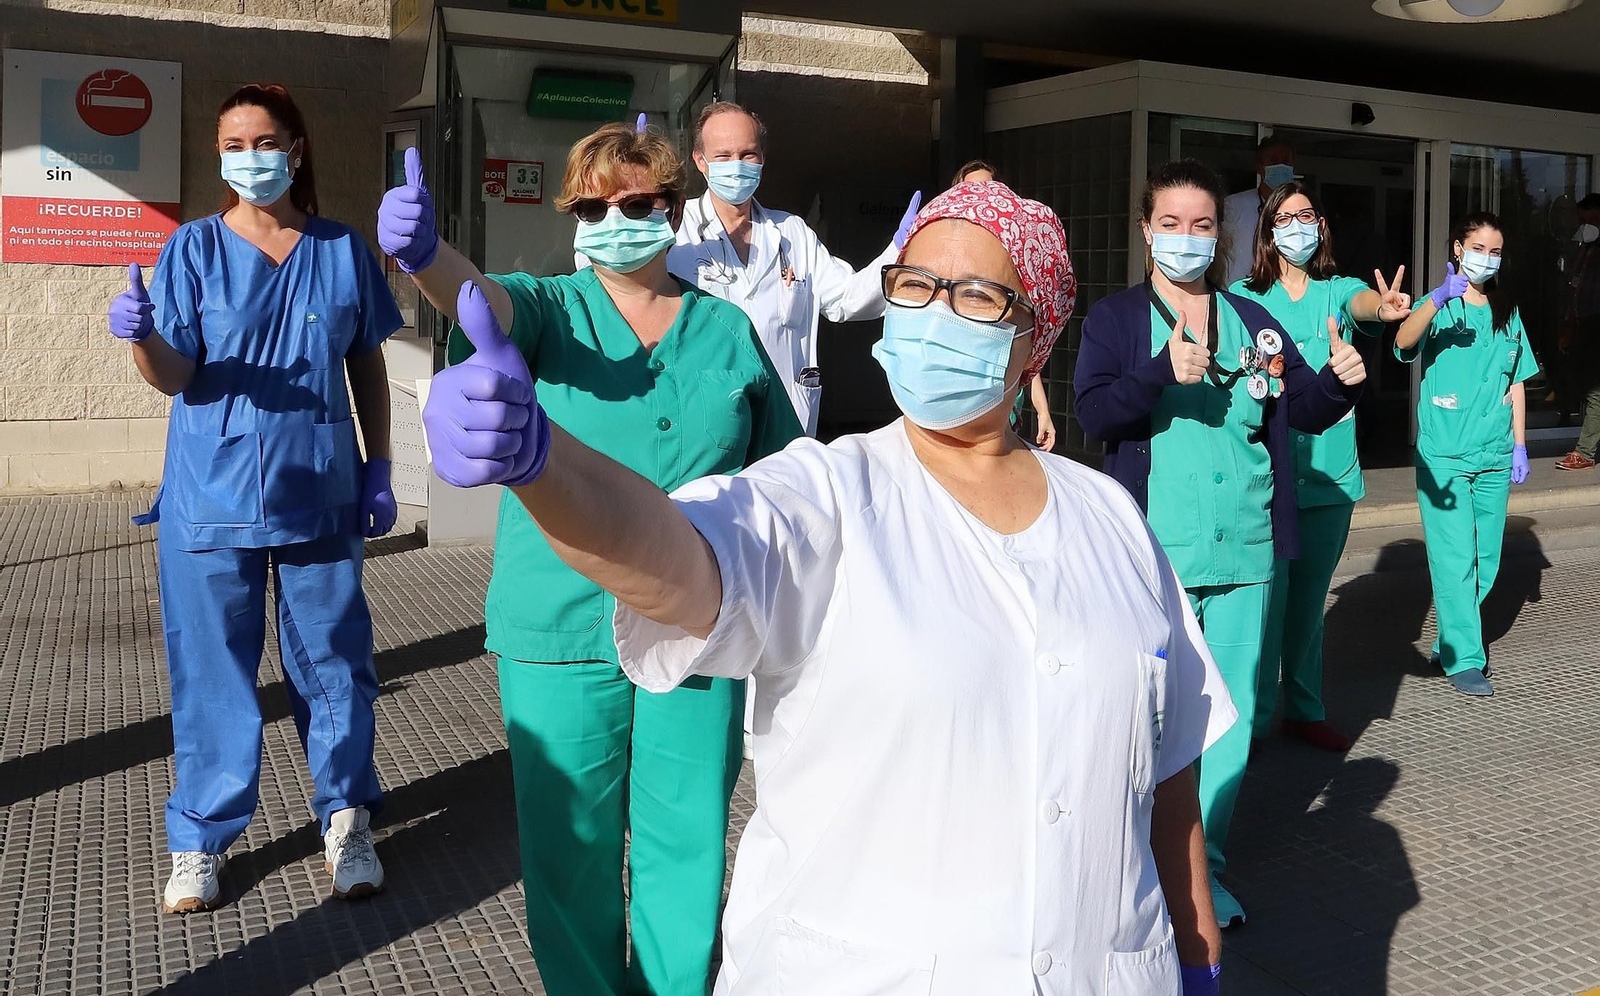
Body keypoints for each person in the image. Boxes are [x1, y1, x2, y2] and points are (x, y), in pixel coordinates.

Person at [421, 180, 1238, 996]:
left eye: (978, 295)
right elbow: (686, 554)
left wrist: (1196, 945)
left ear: (1038, 337)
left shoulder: (1112, 518)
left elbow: (1169, 769)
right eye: (915, 286)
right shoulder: (829, 493)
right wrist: (542, 463)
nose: (937, 312)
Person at [376, 124, 801, 996]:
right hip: (559, 627)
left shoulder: (728, 331)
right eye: (595, 205)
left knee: (687, 839)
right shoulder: (549, 309)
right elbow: (482, 303)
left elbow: (786, 479)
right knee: (570, 854)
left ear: (672, 211)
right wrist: (427, 255)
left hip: (699, 623)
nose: (617, 218)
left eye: (637, 203)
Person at [105, 83, 402, 913]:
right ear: (219, 157)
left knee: (337, 665)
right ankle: (200, 837)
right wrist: (142, 338)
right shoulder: (193, 250)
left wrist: (380, 466)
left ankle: (347, 817)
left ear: (296, 149)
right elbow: (177, 375)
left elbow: (367, 360)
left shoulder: (341, 249)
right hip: (210, 497)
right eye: (233, 144)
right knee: (211, 671)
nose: (250, 158)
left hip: (321, 490)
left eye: (264, 141)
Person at [1073, 159, 1366, 929]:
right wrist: (1158, 374)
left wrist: (1340, 381)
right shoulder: (1116, 321)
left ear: (1222, 237)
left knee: (1223, 726)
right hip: (1152, 559)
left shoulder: (1253, 322)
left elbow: (1300, 404)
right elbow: (1096, 415)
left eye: (1202, 226)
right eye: (1170, 224)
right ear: (1146, 232)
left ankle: (1207, 870)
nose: (1186, 239)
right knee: (1145, 722)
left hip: (1245, 553)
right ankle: (1132, 866)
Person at [1231, 182, 1412, 752]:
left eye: (1307, 215)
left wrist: (1381, 310)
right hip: (1268, 478)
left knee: (1308, 606)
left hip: (1331, 479)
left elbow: (1365, 306)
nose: (1298, 226)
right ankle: (1254, 719)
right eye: (1286, 218)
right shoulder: (1242, 298)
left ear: (1322, 225)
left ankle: (1304, 708)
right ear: (1267, 231)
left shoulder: (1340, 290)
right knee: (1266, 603)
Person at [668, 101, 920, 437]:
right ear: (700, 161)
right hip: (706, 423)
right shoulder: (675, 234)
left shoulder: (792, 232)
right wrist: (634, 208)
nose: (737, 166)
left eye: (748, 155)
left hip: (786, 418)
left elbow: (846, 299)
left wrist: (899, 249)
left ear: (763, 159)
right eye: (723, 156)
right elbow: (615, 283)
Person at [1394, 213, 1538, 698]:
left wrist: (1520, 444)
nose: (1486, 258)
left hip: (1495, 451)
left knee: (1487, 560)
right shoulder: (1439, 306)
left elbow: (1515, 381)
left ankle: (1450, 635)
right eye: (1478, 248)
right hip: (1445, 455)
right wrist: (1436, 299)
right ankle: (1464, 658)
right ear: (1458, 248)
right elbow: (1402, 341)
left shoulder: (1508, 311)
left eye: (1495, 251)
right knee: (1455, 559)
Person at [949, 159, 1056, 450]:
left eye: (989, 189)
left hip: (1005, 412)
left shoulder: (1013, 261)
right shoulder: (947, 255)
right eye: (971, 190)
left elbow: (1025, 349)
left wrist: (1043, 412)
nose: (981, 197)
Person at [1557, 193, 1600, 471]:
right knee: (1588, 388)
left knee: (1596, 391)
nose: (1588, 226)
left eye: (1594, 220)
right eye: (1583, 220)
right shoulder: (1585, 249)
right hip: (1584, 326)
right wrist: (1569, 326)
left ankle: (1584, 451)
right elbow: (1576, 291)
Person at [1222, 135, 1296, 286]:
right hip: (1238, 291)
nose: (1281, 165)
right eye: (1273, 161)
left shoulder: (1302, 209)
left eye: (1286, 161)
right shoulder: (1234, 205)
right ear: (1259, 167)